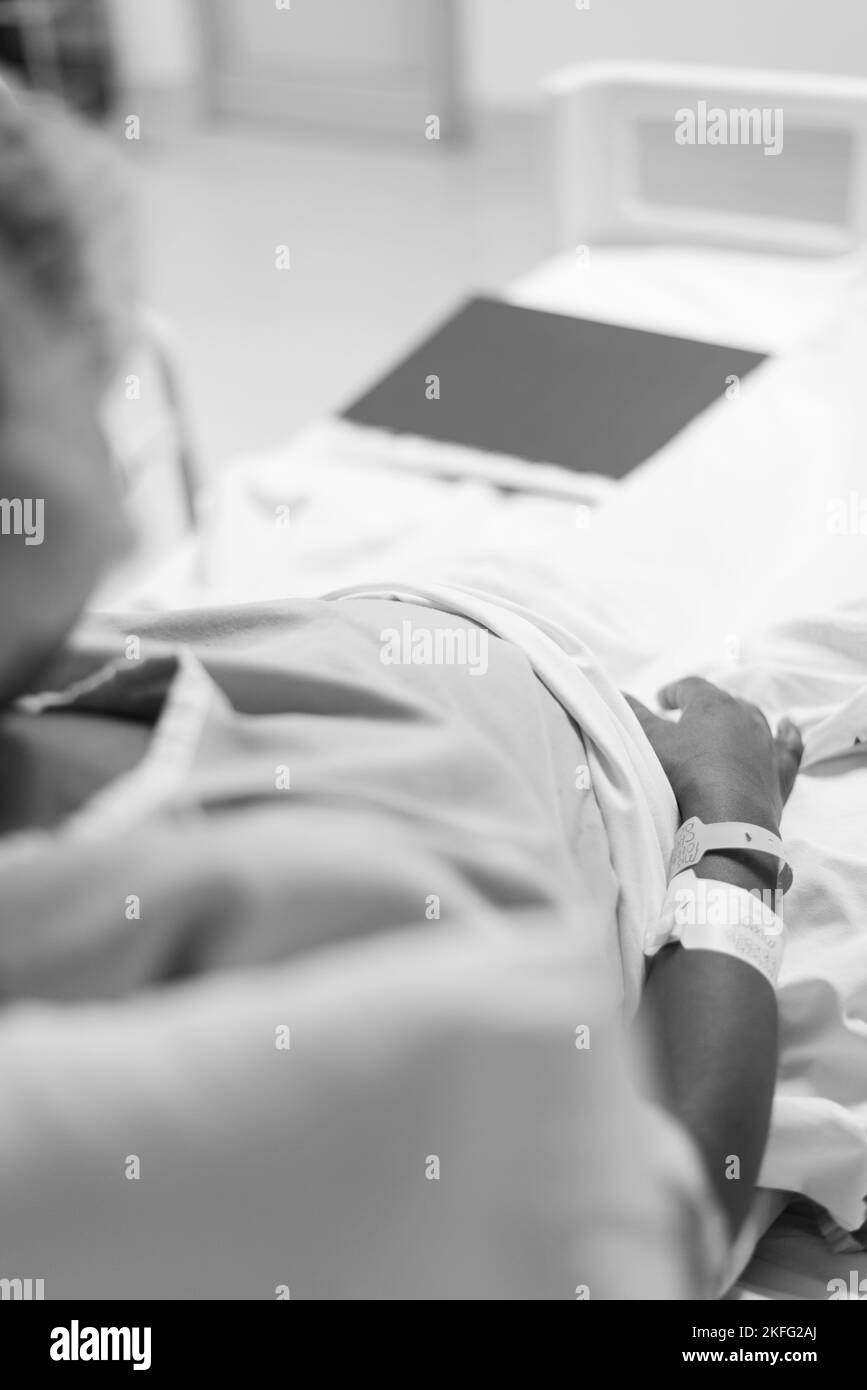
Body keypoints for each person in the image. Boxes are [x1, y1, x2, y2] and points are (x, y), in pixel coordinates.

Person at [0, 77, 803, 1298]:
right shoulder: (247, 1016)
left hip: (457, 614)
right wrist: (733, 842)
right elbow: (659, 1230)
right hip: (651, 761)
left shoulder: (45, 665)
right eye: (71, 377)